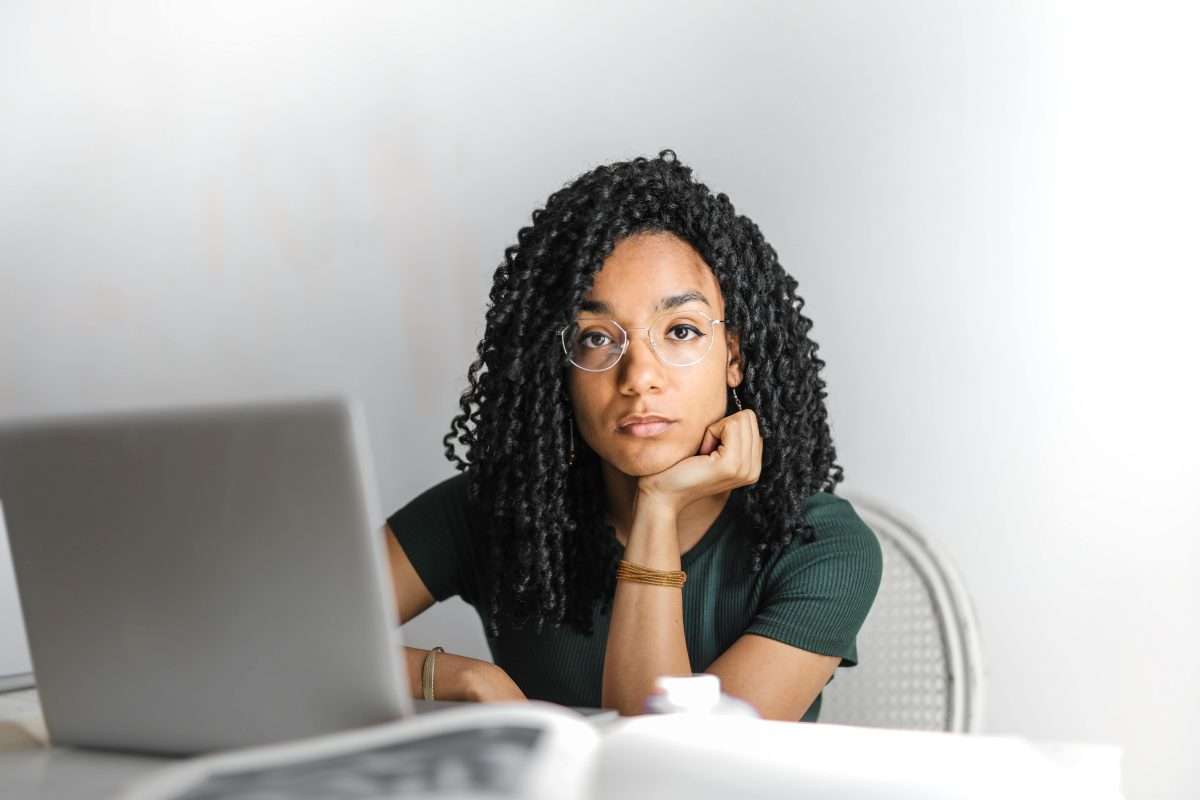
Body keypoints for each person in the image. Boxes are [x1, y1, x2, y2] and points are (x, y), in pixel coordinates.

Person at [384, 149, 882, 721]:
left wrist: (659, 506)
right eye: (596, 337)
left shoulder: (819, 545)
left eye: (681, 330)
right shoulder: (499, 509)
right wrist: (465, 677)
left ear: (734, 357)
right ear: (560, 369)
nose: (639, 376)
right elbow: (276, 643)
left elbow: (670, 766)